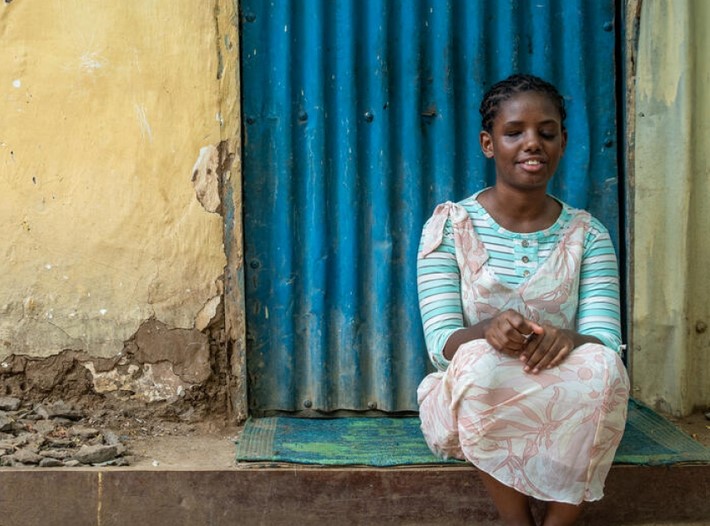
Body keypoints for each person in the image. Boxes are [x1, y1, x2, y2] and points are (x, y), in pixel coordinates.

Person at [416, 74, 630, 526]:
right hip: (480, 390)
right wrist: (484, 331)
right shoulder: (451, 227)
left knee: (607, 366)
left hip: (561, 388)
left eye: (546, 133)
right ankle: (518, 522)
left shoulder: (588, 234)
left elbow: (607, 340)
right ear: (488, 143)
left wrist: (568, 338)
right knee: (475, 360)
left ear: (562, 142)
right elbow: (440, 344)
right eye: (514, 132)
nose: (532, 143)